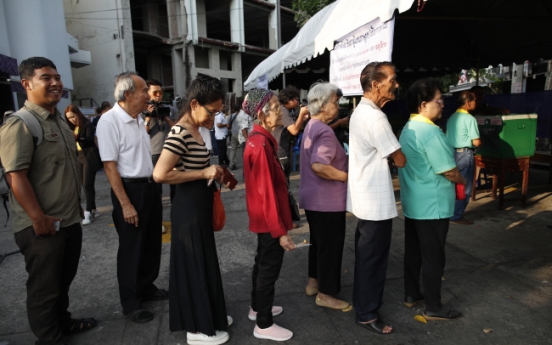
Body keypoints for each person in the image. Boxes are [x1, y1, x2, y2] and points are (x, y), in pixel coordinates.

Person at [0, 56, 96, 345]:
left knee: (62, 281)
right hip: (41, 226)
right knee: (44, 290)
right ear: (26, 84)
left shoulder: (59, 120)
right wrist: (38, 218)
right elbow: (16, 176)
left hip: (68, 219)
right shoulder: (20, 124)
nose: (55, 83)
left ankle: (63, 324)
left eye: (57, 77)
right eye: (46, 78)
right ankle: (49, 338)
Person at [153, 74, 231, 345]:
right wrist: (202, 173)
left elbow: (193, 167)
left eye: (219, 111)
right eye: (212, 111)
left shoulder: (198, 128)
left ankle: (210, 314)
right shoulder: (180, 131)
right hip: (187, 208)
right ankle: (197, 328)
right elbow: (160, 174)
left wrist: (211, 173)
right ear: (195, 103)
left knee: (204, 259)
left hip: (199, 203)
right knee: (193, 262)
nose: (215, 117)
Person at [96, 71, 167, 324]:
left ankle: (147, 286)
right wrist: (125, 204)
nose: (148, 96)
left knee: (150, 242)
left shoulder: (138, 118)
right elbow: (109, 166)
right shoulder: (109, 121)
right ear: (127, 95)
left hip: (150, 187)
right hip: (130, 190)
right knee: (131, 248)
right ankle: (131, 301)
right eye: (143, 91)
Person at [399, 78, 466, 322]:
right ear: (423, 105)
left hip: (415, 203)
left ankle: (411, 294)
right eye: (439, 100)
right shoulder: (430, 132)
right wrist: (463, 180)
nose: (442, 104)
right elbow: (447, 170)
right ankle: (434, 306)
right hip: (433, 206)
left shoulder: (409, 128)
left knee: (414, 252)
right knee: (434, 256)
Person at [347, 61, 406, 335]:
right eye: (392, 79)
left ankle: (363, 306)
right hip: (375, 203)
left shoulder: (362, 111)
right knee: (373, 260)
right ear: (376, 84)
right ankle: (367, 313)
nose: (395, 83)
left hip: (366, 199)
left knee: (366, 258)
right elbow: (400, 158)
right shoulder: (375, 117)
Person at [243, 88, 296, 342]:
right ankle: (263, 323)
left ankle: (257, 308)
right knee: (268, 270)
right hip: (268, 219)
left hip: (264, 218)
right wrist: (280, 231)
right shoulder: (261, 144)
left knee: (262, 264)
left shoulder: (259, 139)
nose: (280, 111)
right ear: (262, 115)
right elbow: (267, 193)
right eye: (275, 108)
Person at [299, 83, 350, 312]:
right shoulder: (325, 131)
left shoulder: (312, 125)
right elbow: (319, 165)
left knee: (319, 244)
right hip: (327, 201)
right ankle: (326, 293)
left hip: (314, 200)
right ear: (322, 104)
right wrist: (345, 176)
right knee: (330, 247)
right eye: (335, 102)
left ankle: (314, 282)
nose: (338, 106)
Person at [143, 79, 177, 232]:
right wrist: (148, 117)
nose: (158, 96)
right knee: (156, 192)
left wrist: (166, 118)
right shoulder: (142, 111)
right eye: (155, 93)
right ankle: (158, 221)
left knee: (176, 187)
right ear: (147, 93)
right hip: (154, 153)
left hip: (171, 152)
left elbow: (177, 129)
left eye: (160, 92)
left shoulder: (169, 109)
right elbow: (141, 135)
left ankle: (178, 217)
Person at [446, 91, 481, 225]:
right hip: (465, 154)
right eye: (474, 101)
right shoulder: (470, 119)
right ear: (468, 103)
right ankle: (457, 215)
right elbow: (476, 142)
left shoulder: (452, 117)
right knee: (464, 186)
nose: (475, 104)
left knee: (453, 184)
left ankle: (450, 212)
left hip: (452, 153)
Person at [65, 105, 102, 225]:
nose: (72, 119)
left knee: (87, 185)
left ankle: (88, 212)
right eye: (69, 118)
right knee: (84, 185)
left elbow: (89, 139)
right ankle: (94, 209)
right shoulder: (73, 127)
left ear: (78, 114)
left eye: (73, 116)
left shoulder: (87, 124)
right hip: (79, 158)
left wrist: (76, 137)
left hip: (89, 158)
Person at [272, 86, 309, 182]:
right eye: (296, 99)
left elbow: (295, 126)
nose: (298, 101)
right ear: (289, 100)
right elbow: (294, 130)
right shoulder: (283, 110)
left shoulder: (287, 110)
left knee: (285, 179)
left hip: (284, 147)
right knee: (283, 180)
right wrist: (301, 114)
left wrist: (303, 119)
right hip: (280, 149)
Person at [227, 103, 241, 170]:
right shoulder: (242, 116)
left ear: (233, 109)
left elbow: (228, 125)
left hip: (233, 134)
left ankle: (232, 164)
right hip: (241, 135)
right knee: (244, 150)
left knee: (233, 149)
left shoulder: (230, 116)